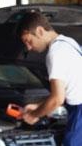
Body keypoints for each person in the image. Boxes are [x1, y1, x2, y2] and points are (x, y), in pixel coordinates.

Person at [16, 11, 82, 146]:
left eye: (29, 41)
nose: (28, 47)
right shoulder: (68, 43)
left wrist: (34, 115)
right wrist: (37, 105)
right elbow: (66, 89)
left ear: (40, 31)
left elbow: (57, 99)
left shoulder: (55, 53)